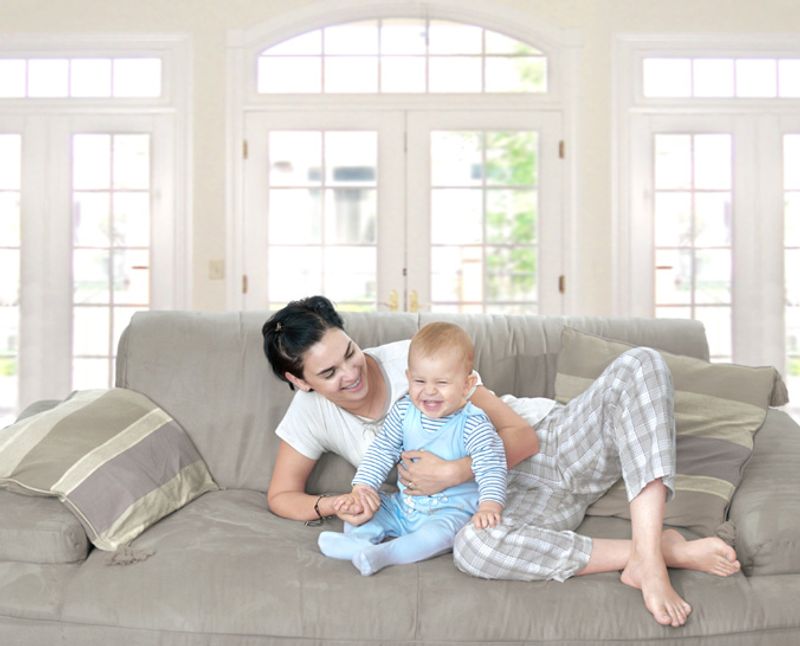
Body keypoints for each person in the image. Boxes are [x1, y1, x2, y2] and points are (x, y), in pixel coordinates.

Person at [263, 296, 741, 628]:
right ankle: (657, 550)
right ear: (299, 380)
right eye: (329, 372)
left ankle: (650, 564)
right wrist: (337, 503)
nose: (352, 372)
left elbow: (523, 437)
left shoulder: (412, 362)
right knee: (473, 549)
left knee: (641, 363)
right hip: (506, 505)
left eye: (349, 352)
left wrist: (454, 471)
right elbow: (282, 496)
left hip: (555, 450)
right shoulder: (310, 414)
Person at [317, 321, 507, 576]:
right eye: (420, 381)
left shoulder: (473, 423)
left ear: (467, 384)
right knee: (367, 508)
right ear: (408, 378)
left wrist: (489, 506)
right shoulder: (405, 411)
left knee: (437, 534)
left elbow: (491, 466)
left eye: (442, 382)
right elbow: (382, 450)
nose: (429, 391)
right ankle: (358, 543)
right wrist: (362, 488)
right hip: (404, 505)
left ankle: (386, 554)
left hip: (450, 511)